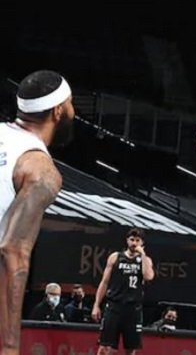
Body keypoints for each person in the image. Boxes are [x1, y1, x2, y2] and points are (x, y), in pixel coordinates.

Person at [0, 70, 75, 355]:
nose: (73, 111)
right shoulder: (42, 170)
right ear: (58, 111)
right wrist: (9, 347)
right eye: (71, 104)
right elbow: (13, 249)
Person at [92, 228, 155, 355]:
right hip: (114, 306)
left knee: (130, 348)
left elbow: (148, 276)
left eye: (138, 240)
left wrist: (142, 255)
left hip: (132, 309)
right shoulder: (115, 257)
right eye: (132, 240)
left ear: (142, 243)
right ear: (127, 240)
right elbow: (104, 282)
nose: (134, 243)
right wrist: (96, 305)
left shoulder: (146, 260)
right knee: (105, 347)